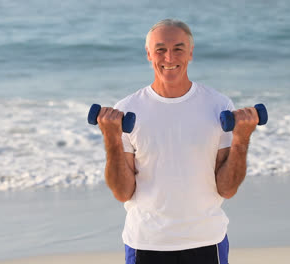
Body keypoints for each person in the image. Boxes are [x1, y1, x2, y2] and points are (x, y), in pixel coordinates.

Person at [96, 19, 259, 264]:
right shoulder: (128, 109)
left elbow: (227, 188)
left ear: (190, 53)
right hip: (146, 242)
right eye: (160, 49)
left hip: (205, 240)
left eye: (178, 49)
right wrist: (111, 138)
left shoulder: (218, 105)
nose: (169, 58)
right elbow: (122, 192)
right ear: (149, 54)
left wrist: (242, 137)